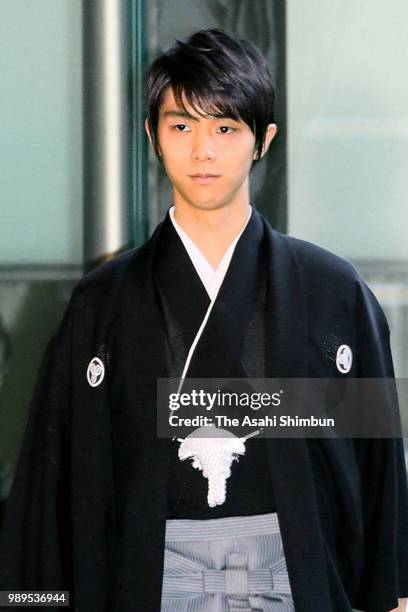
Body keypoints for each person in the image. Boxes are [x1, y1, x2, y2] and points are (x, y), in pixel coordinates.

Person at [0, 27, 407, 612]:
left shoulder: (333, 292)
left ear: (263, 140)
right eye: (181, 126)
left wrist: (395, 595)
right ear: (153, 137)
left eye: (225, 128)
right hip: (148, 579)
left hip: (297, 579)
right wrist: (31, 601)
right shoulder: (102, 304)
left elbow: (379, 468)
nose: (203, 151)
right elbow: (50, 484)